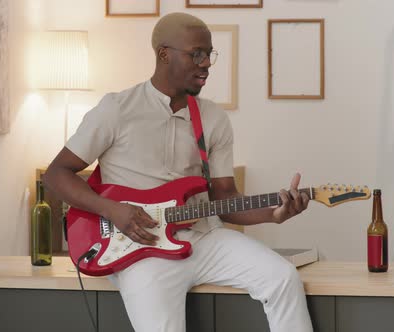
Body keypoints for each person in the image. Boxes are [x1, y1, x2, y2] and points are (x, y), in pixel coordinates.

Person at [43, 12, 312, 332]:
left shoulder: (213, 118)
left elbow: (225, 197)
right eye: (196, 53)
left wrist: (274, 214)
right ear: (164, 54)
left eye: (209, 54)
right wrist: (112, 210)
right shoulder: (116, 109)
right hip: (140, 251)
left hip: (205, 239)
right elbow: (57, 173)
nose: (206, 63)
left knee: (283, 278)